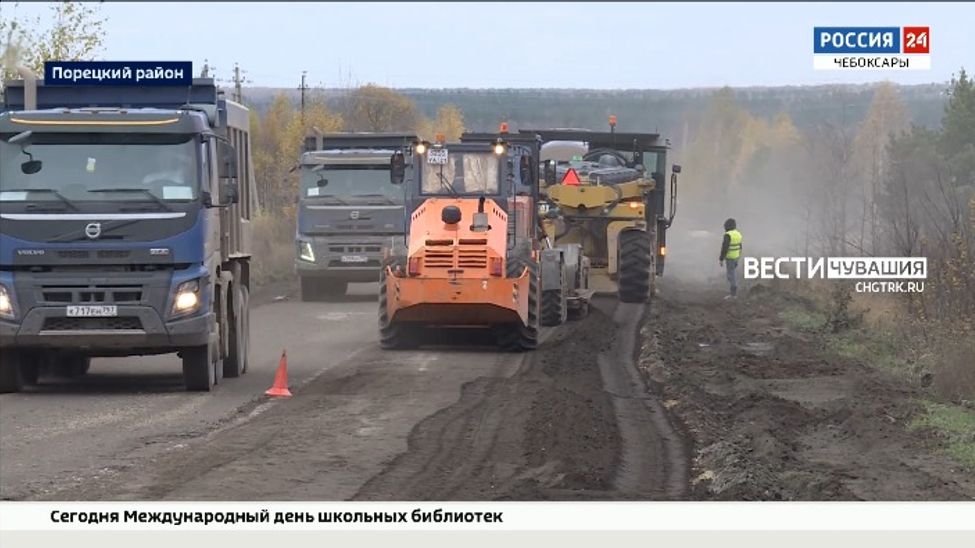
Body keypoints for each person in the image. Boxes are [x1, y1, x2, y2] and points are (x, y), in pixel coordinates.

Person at [719, 218, 743, 299]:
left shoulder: (728, 235)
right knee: (732, 273)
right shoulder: (738, 234)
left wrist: (721, 258)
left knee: (731, 275)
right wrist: (739, 255)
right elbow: (740, 246)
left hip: (730, 258)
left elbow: (724, 248)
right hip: (736, 257)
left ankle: (733, 294)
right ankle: (733, 290)